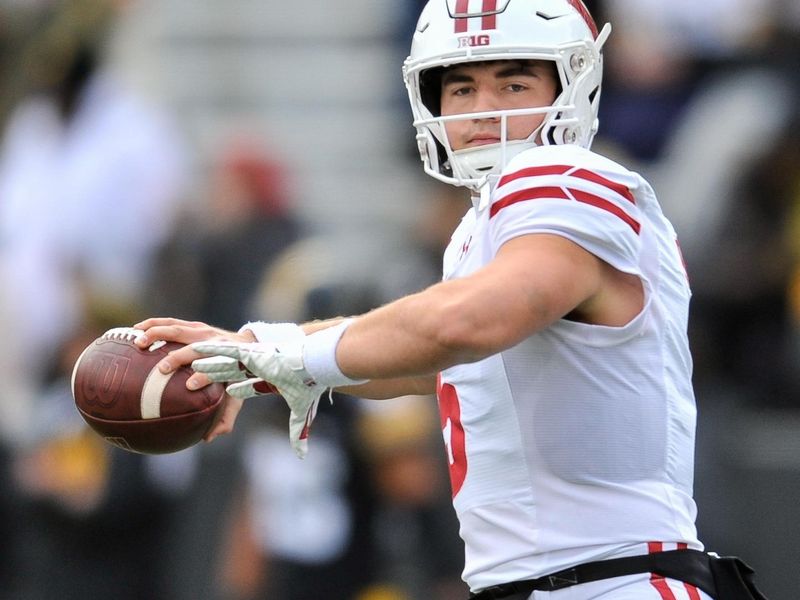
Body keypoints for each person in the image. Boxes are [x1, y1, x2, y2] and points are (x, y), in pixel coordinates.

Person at [133, 1, 766, 598]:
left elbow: (466, 322)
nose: (481, 110)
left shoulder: (567, 176)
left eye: (513, 86)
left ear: (572, 88)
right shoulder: (486, 226)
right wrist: (252, 356)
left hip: (611, 580)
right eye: (461, 88)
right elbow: (440, 361)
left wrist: (292, 352)